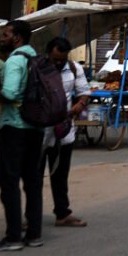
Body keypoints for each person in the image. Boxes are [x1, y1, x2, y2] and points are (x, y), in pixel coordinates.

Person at [0, 20, 45, 251]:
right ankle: (34, 234)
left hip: (14, 127)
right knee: (33, 183)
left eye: (5, 34)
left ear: (17, 38)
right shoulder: (38, 58)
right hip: (36, 129)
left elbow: (11, 92)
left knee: (10, 183)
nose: (2, 38)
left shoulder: (15, 60)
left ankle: (13, 237)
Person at [41, 38, 90, 228]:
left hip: (63, 132)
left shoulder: (74, 68)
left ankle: (62, 213)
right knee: (34, 177)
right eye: (55, 59)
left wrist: (80, 104)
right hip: (40, 131)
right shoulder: (38, 68)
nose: (58, 63)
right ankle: (32, 217)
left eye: (62, 59)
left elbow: (84, 91)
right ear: (48, 54)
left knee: (60, 176)